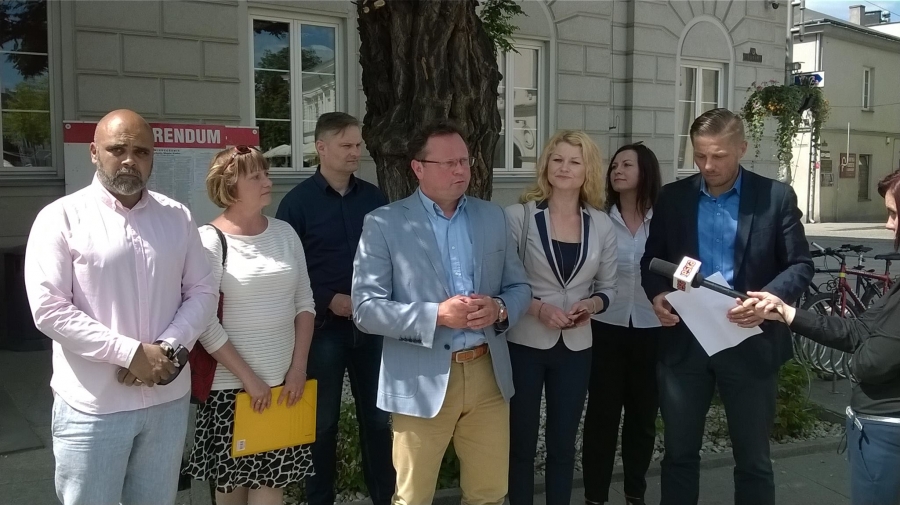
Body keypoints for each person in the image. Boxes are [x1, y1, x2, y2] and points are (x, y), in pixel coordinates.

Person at [23, 109, 218, 505]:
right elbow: (49, 309)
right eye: (117, 149)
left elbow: (202, 291)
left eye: (141, 152)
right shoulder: (60, 218)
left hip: (166, 403)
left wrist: (167, 348)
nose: (130, 160)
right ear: (94, 152)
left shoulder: (176, 216)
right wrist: (129, 353)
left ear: (152, 157)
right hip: (94, 408)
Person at [351, 120, 532, 505]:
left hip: (487, 375)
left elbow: (520, 288)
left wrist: (499, 308)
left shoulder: (492, 217)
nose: (461, 170)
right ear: (418, 167)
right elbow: (365, 310)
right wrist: (436, 315)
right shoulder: (384, 223)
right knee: (413, 498)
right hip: (420, 376)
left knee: (489, 494)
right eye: (449, 163)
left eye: (464, 161)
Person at [639, 108, 814, 505]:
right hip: (686, 341)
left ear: (742, 149)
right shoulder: (674, 197)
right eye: (700, 155)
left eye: (718, 156)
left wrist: (767, 299)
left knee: (753, 460)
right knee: (679, 454)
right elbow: (652, 259)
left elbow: (800, 265)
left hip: (751, 339)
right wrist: (658, 295)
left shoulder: (774, 197)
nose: (708, 165)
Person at [742, 169, 900, 505]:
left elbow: (872, 362)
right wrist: (786, 313)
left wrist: (858, 360)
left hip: (887, 436)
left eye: (894, 213)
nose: (889, 224)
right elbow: (857, 330)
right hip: (876, 431)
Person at [182, 146, 315, 505]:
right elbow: (204, 321)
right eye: (255, 176)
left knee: (270, 494)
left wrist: (298, 369)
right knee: (231, 496)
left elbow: (305, 304)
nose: (267, 181)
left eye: (265, 173)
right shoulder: (209, 240)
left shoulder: (285, 233)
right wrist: (249, 379)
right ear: (230, 186)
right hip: (231, 392)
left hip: (283, 388)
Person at [275, 112, 394, 505]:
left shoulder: (374, 199)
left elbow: (390, 257)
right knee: (321, 423)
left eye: (358, 144)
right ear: (321, 148)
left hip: (372, 327)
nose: (356, 152)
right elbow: (289, 270)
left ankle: (385, 497)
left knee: (378, 420)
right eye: (346, 145)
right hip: (322, 330)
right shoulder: (297, 204)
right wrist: (329, 298)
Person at [503, 130, 618, 505]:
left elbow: (609, 288)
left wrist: (592, 306)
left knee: (563, 445)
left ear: (588, 170)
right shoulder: (518, 217)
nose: (564, 167)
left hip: (576, 348)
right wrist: (539, 308)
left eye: (574, 161)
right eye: (557, 159)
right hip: (525, 343)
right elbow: (503, 282)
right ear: (545, 165)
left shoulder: (601, 224)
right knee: (520, 443)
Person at [582, 142, 662, 505]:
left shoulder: (663, 220)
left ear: (646, 171)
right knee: (602, 416)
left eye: (626, 165)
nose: (617, 170)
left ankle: (634, 493)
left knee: (642, 418)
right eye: (614, 165)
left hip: (652, 328)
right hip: (606, 327)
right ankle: (595, 496)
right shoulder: (598, 219)